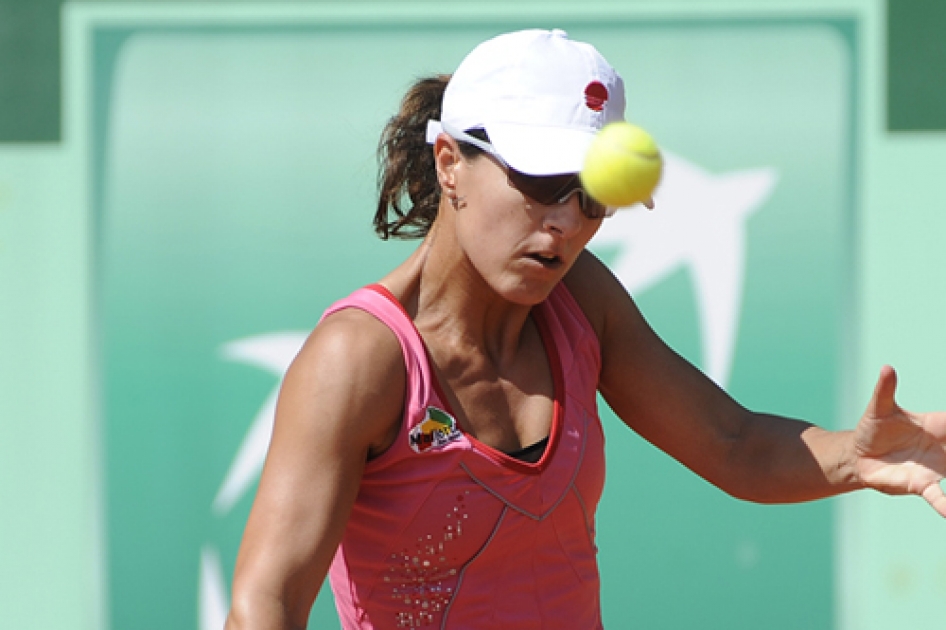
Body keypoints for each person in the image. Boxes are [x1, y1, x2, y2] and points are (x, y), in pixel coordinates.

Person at [224, 29, 946, 630]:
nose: (566, 223)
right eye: (540, 182)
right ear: (450, 163)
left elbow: (734, 444)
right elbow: (268, 602)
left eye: (593, 195)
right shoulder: (360, 358)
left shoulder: (581, 298)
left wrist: (856, 457)